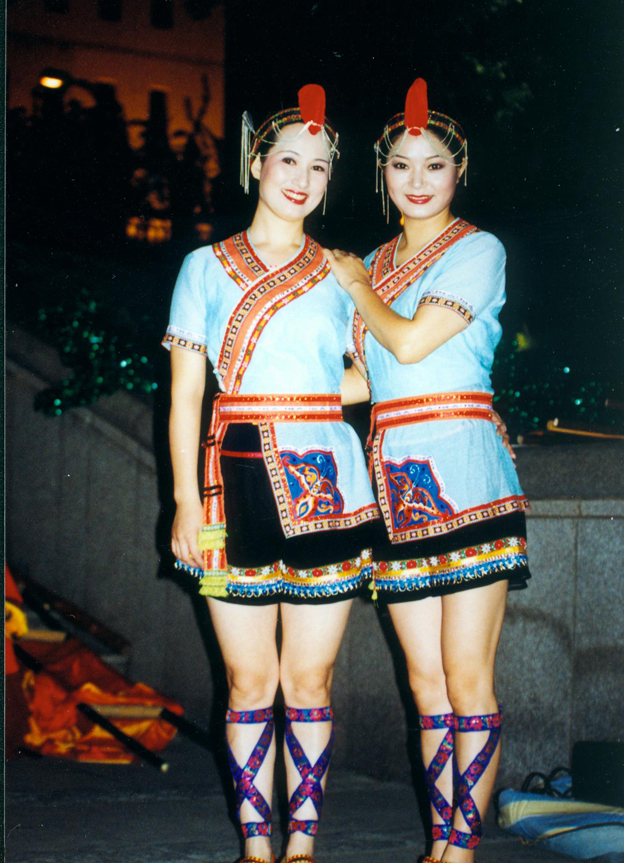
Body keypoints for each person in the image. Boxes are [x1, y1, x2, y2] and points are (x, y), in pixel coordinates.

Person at [162, 85, 379, 863]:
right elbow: (186, 396)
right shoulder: (205, 266)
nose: (302, 178)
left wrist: (309, 398)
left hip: (329, 483)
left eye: (319, 167)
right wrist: (186, 502)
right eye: (289, 160)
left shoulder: (344, 272)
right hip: (229, 484)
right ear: (256, 163)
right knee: (247, 679)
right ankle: (257, 846)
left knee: (310, 679)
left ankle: (302, 846)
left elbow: (376, 374)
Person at [324, 78, 531, 863]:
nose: (417, 180)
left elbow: (410, 344)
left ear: (459, 170)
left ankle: (461, 853)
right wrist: (266, 392)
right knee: (425, 686)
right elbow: (368, 379)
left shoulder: (479, 250)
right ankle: (440, 843)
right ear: (382, 173)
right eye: (402, 165)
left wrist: (352, 284)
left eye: (434, 165)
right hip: (396, 484)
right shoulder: (378, 260)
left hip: (468, 475)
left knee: (467, 676)